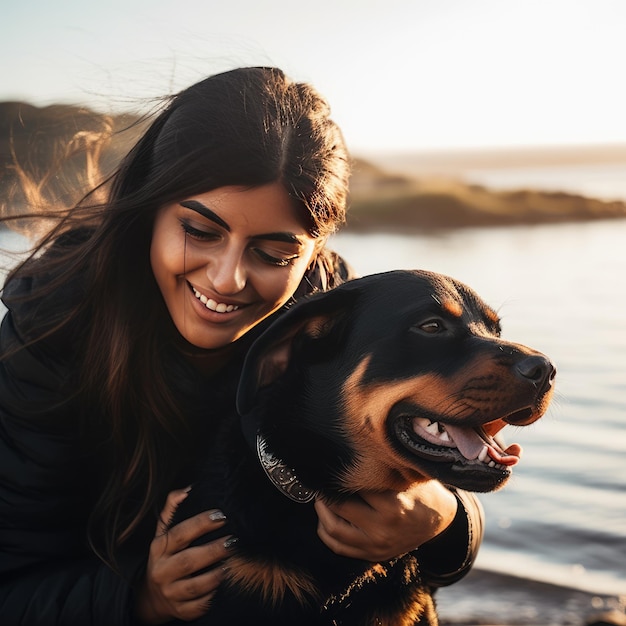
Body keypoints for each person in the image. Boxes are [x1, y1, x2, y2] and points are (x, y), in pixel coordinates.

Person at [0, 66, 483, 625]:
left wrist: (445, 519)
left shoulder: (339, 326)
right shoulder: (48, 337)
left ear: (313, 255)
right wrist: (137, 599)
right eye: (201, 231)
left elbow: (433, 486)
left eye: (274, 254)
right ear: (148, 209)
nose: (228, 279)